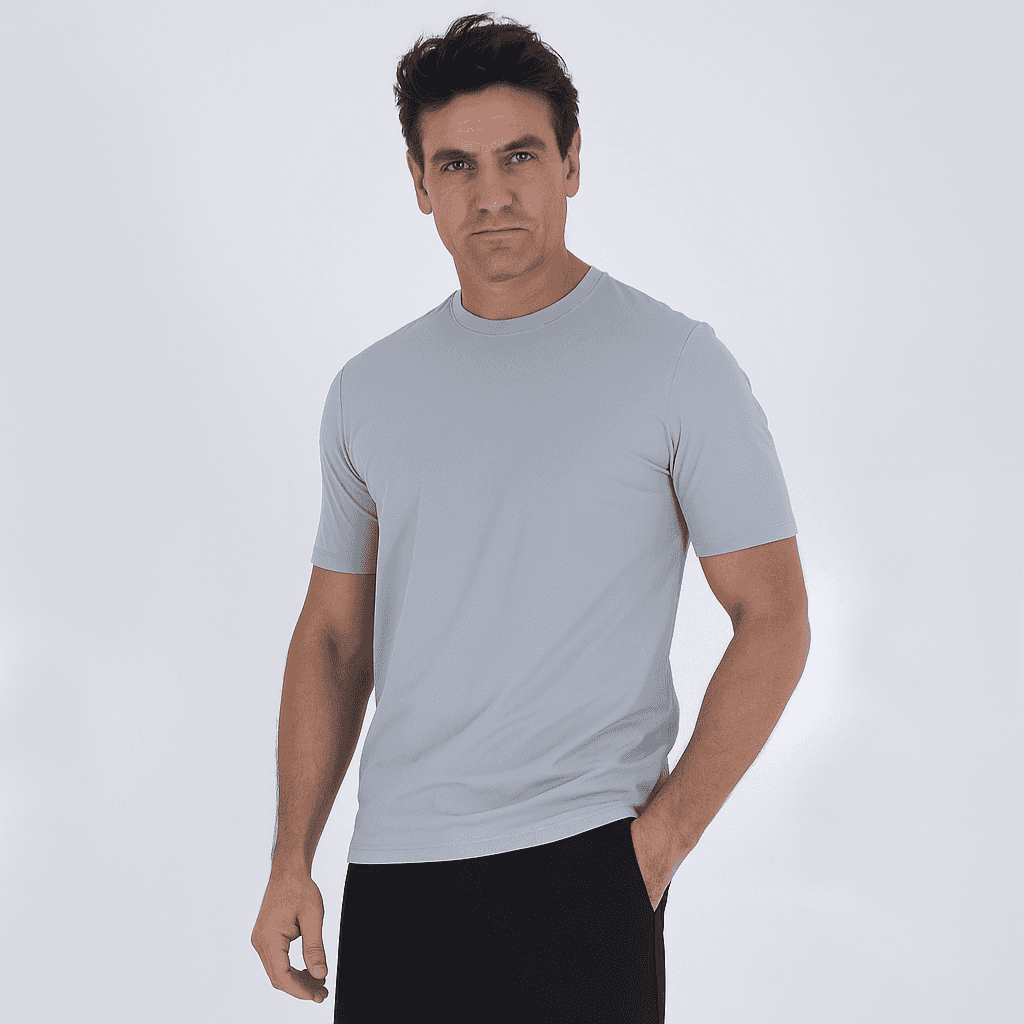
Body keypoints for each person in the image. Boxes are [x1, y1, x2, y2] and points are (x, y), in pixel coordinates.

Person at [251, 13, 811, 1023]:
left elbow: (774, 616)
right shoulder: (368, 390)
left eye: (519, 156)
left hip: (582, 865)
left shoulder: (676, 365)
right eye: (456, 164)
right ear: (419, 182)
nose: (492, 193)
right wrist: (292, 858)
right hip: (397, 871)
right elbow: (334, 637)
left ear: (571, 162)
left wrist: (659, 843)